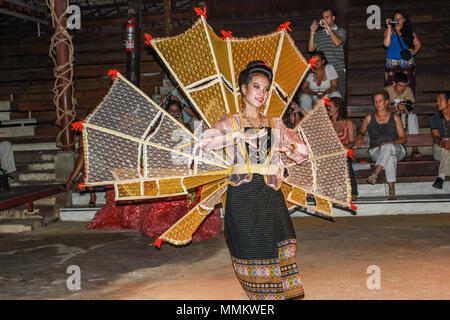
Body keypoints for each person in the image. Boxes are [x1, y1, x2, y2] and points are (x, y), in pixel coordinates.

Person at [199, 60, 309, 300]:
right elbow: (205, 142)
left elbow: (303, 153)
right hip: (243, 198)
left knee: (281, 252)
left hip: (271, 197)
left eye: (267, 89)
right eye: (256, 87)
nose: (263, 94)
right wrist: (236, 135)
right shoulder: (231, 122)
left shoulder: (275, 123)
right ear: (242, 89)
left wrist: (292, 146)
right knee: (252, 252)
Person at [355, 90, 406, 200]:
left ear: (387, 102)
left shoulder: (395, 117)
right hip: (376, 151)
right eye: (375, 102)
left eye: (380, 101)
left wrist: (390, 142)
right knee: (390, 159)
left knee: (388, 147)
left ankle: (375, 174)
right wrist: (359, 136)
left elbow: (403, 138)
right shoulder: (369, 117)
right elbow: (361, 131)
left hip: (396, 149)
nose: (377, 104)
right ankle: (392, 190)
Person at [308, 8, 347, 98]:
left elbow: (337, 42)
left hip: (338, 69)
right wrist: (313, 32)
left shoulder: (341, 31)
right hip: (324, 71)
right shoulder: (319, 34)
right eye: (323, 18)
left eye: (327, 17)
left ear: (333, 18)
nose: (324, 20)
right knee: (325, 99)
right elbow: (310, 49)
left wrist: (328, 29)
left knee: (339, 97)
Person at [383, 9, 421, 93]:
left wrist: (414, 51)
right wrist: (389, 28)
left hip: (407, 64)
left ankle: (406, 105)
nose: (397, 20)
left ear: (404, 19)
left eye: (400, 18)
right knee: (391, 88)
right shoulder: (390, 31)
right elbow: (386, 44)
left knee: (407, 88)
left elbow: (418, 44)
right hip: (392, 64)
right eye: (395, 18)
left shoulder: (409, 32)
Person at [327, 97, 358, 201]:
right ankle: (328, 191)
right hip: (331, 152)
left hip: (344, 151)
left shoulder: (348, 122)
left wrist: (344, 147)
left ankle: (353, 191)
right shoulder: (327, 122)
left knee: (345, 159)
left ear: (337, 108)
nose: (328, 109)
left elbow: (352, 142)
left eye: (330, 107)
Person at [385, 72, 422, 158]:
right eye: (400, 85)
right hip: (390, 118)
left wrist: (407, 108)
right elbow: (383, 110)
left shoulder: (408, 90)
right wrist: (397, 108)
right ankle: (401, 146)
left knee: (412, 117)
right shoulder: (386, 91)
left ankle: (415, 148)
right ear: (394, 83)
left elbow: (410, 106)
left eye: (404, 85)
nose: (403, 88)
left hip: (403, 117)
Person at [65, 135, 97, 207]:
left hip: (98, 158)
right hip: (85, 160)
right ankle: (92, 196)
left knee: (84, 156)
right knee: (84, 160)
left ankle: (70, 181)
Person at [430, 91, 450, 189]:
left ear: (449, 101)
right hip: (439, 146)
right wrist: (443, 143)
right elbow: (435, 136)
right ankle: (441, 176)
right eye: (437, 101)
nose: (437, 103)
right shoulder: (434, 118)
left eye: (440, 100)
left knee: (447, 149)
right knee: (445, 148)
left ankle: (441, 177)